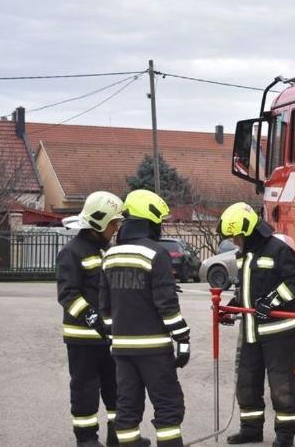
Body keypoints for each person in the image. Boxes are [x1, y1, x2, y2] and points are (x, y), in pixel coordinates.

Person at [99, 189, 190, 447]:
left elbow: (104, 307)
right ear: (149, 220)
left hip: (122, 350)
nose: (160, 228)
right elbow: (167, 305)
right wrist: (183, 339)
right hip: (154, 350)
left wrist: (115, 336)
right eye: (159, 222)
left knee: (127, 408)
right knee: (168, 407)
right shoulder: (155, 254)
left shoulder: (110, 256)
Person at [218, 202, 295, 447]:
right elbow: (248, 288)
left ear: (246, 231)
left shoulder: (278, 249)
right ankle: (251, 430)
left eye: (235, 236)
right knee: (247, 383)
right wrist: (231, 308)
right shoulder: (245, 253)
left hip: (277, 333)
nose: (234, 241)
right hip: (251, 331)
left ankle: (285, 437)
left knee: (281, 387)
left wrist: (273, 301)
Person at [58, 191, 125, 447]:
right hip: (82, 339)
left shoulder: (107, 250)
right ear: (99, 222)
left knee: (115, 390)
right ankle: (86, 440)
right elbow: (67, 294)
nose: (116, 228)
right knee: (85, 391)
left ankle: (117, 438)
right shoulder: (71, 253)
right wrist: (90, 315)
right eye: (113, 223)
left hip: (108, 338)